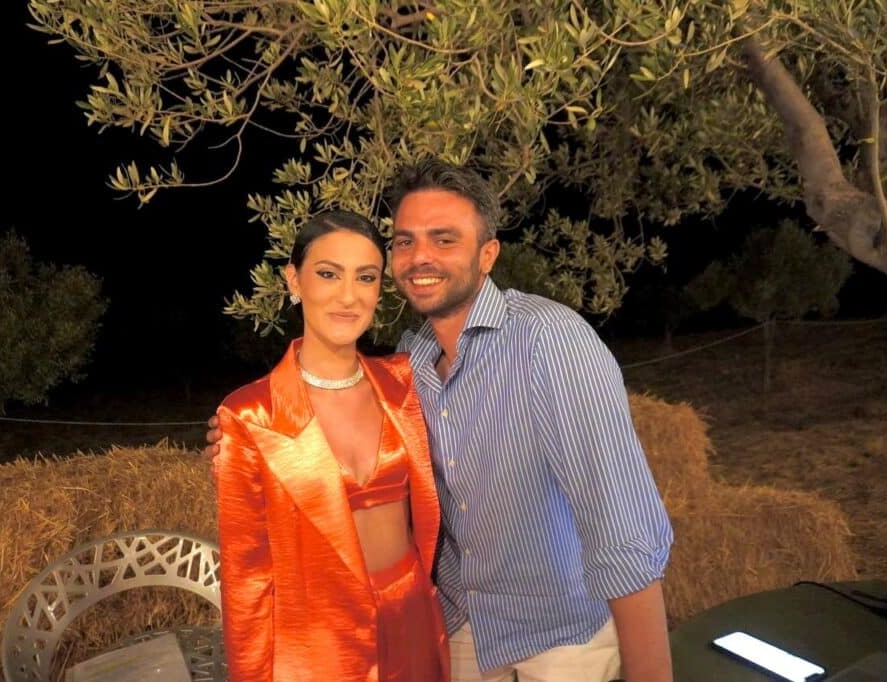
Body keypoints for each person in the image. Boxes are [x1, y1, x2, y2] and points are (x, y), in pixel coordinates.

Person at [208, 161, 674, 681]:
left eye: (444, 239)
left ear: (488, 254)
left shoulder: (547, 340)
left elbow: (622, 527)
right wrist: (250, 435)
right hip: (455, 629)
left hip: (558, 640)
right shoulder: (409, 365)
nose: (420, 257)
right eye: (405, 241)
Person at [211, 210, 449, 681]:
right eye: (328, 274)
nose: (348, 295)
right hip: (318, 647)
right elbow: (247, 582)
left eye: (366, 277)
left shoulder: (405, 384)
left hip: (413, 622)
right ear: (293, 280)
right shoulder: (250, 417)